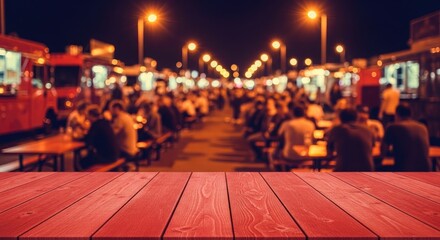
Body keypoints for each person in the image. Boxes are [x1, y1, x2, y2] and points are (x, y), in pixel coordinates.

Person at [382, 104, 430, 171]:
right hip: (425, 170)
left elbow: (383, 150)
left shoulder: (392, 127)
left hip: (404, 170)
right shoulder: (423, 127)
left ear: (397, 114)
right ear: (411, 114)